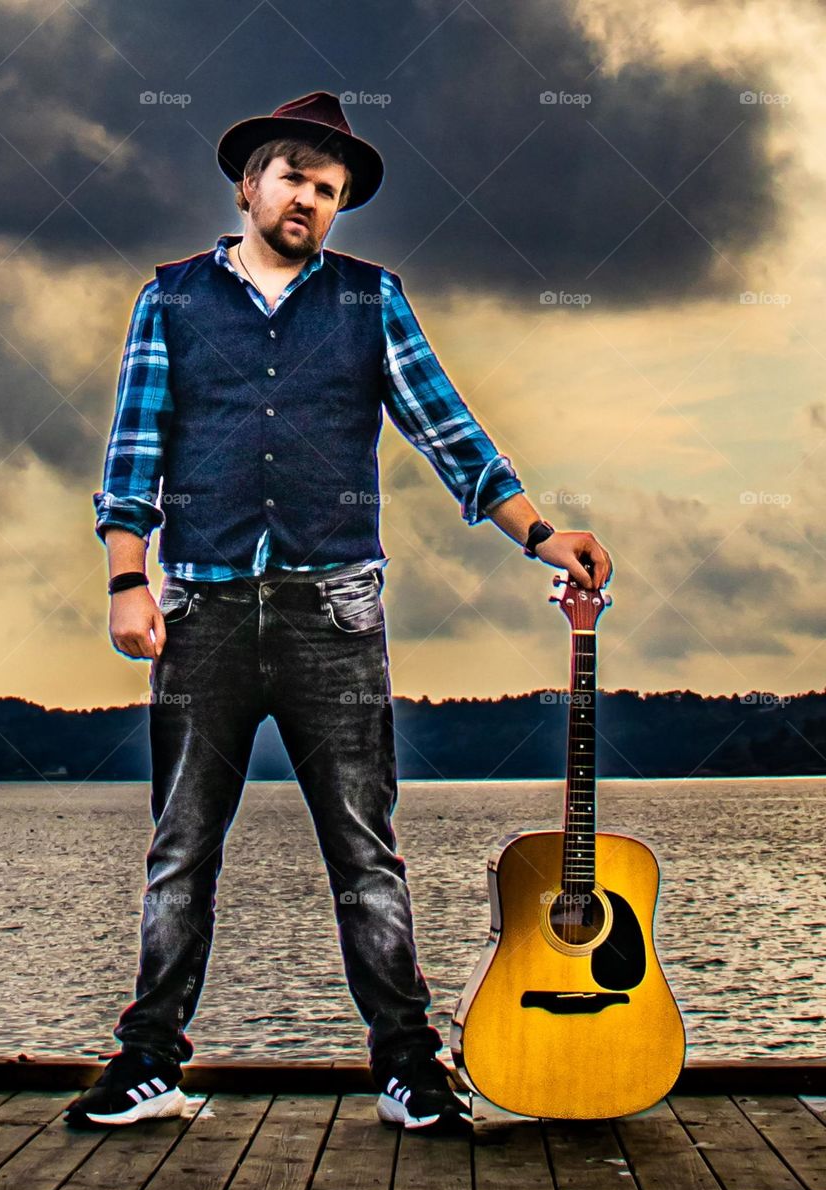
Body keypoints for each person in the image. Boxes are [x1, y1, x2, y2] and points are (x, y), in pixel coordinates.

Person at [64, 91, 612, 1136]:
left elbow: (450, 432)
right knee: (182, 849)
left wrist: (544, 535)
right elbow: (131, 454)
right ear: (248, 185)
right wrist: (126, 580)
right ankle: (147, 1063)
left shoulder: (370, 300)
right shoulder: (170, 300)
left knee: (366, 855)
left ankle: (409, 1066)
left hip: (338, 615)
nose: (310, 199)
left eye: (330, 190)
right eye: (295, 179)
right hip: (203, 611)